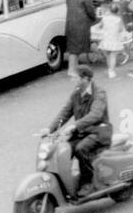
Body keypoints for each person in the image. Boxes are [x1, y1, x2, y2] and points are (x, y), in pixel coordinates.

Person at [45, 66, 111, 195]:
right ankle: (64, 183)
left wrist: (76, 125)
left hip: (99, 132)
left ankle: (88, 183)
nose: (72, 79)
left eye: (75, 77)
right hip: (83, 132)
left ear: (85, 79)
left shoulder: (99, 93)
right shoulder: (76, 93)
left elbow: (95, 114)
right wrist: (49, 129)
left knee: (81, 149)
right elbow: (65, 112)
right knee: (62, 149)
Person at [64, 0, 98, 79]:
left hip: (70, 21)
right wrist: (94, 18)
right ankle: (72, 70)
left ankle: (73, 68)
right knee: (76, 49)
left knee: (73, 47)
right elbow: (90, 9)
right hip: (81, 23)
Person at [97, 1, 127, 79]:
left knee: (107, 55)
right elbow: (121, 29)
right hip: (114, 39)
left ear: (109, 10)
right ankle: (111, 71)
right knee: (113, 56)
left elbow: (100, 26)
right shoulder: (118, 19)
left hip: (105, 39)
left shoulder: (104, 18)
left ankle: (109, 68)